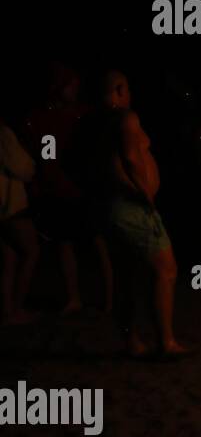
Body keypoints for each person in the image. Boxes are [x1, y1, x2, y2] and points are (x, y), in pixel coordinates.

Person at [96, 71, 186, 355]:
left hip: (109, 206)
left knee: (125, 275)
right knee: (165, 269)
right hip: (131, 206)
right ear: (120, 89)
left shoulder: (93, 121)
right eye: (128, 89)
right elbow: (131, 158)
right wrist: (145, 194)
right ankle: (166, 342)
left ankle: (132, 342)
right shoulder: (126, 118)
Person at [24, 64, 114, 314]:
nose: (75, 89)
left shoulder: (84, 115)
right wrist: (45, 183)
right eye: (70, 85)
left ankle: (110, 300)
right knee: (65, 242)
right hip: (61, 189)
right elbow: (45, 157)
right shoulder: (44, 118)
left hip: (86, 187)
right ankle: (73, 298)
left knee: (99, 242)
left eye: (76, 84)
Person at [0, 116, 39, 326]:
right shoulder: (3, 134)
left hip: (3, 206)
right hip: (9, 204)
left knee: (9, 258)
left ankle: (8, 310)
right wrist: (33, 166)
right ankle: (16, 307)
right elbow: (21, 167)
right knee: (31, 251)